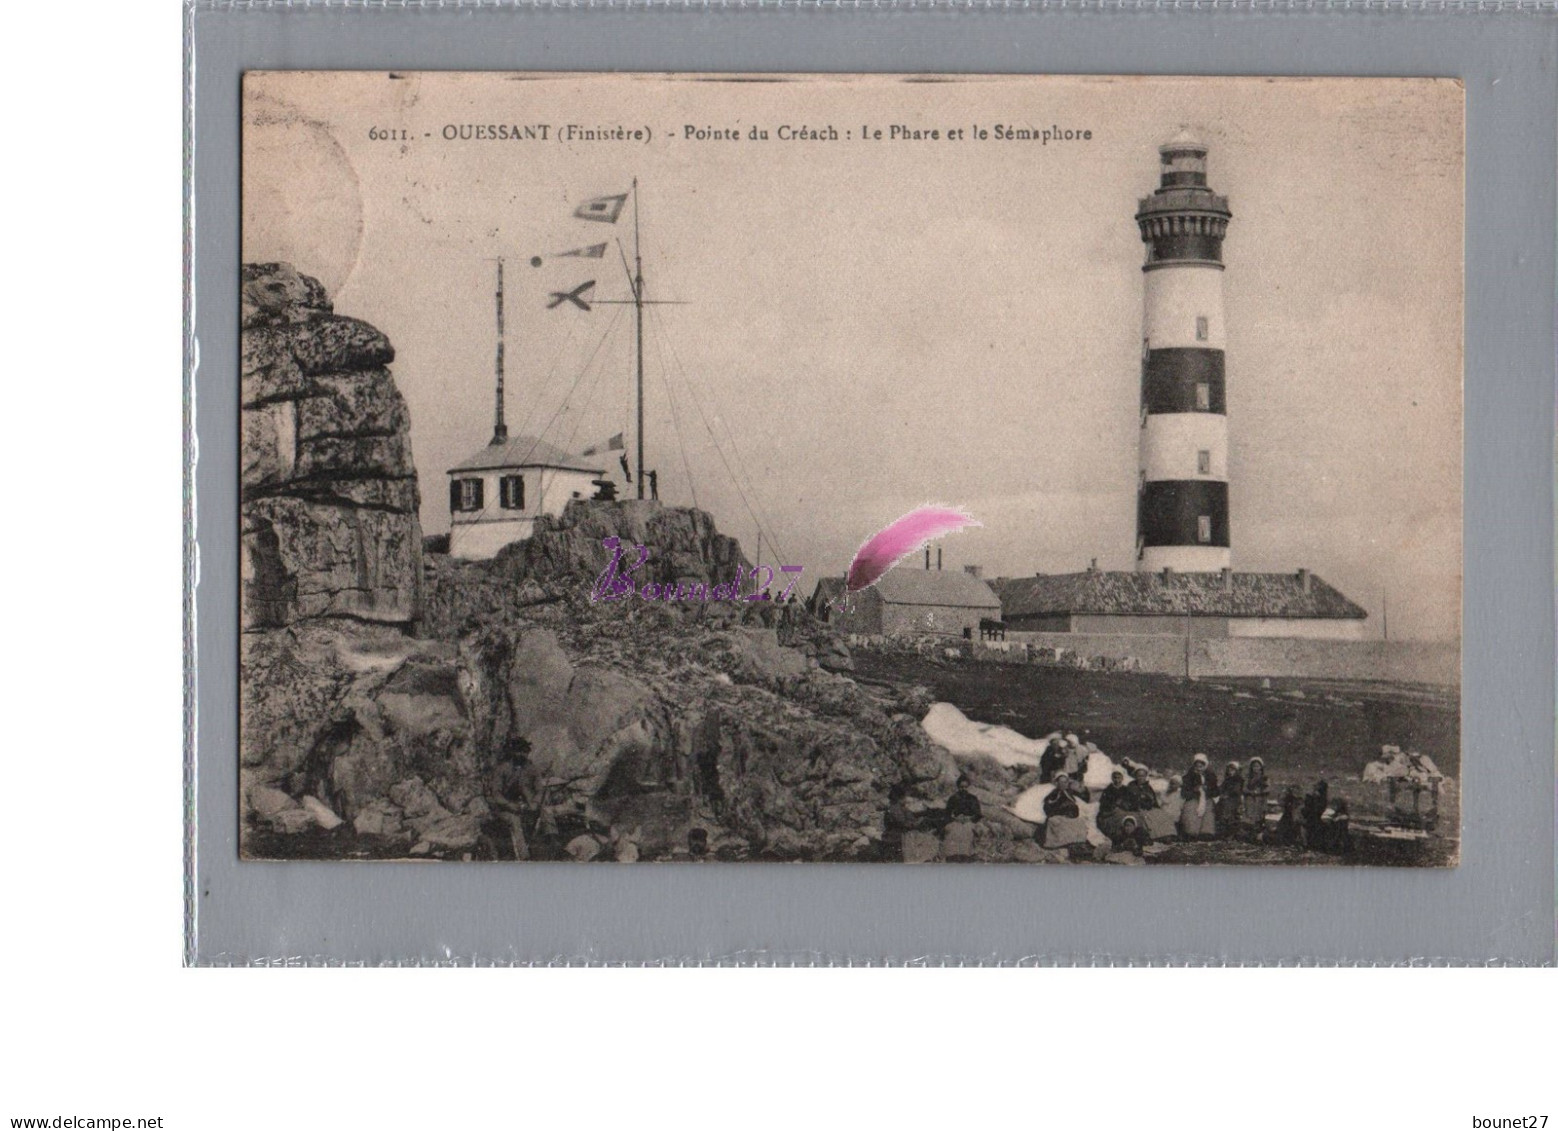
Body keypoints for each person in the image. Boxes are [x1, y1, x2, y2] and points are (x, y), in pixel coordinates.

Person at [1043, 772, 1090, 848]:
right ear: (1057, 783)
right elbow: (1048, 807)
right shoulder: (1054, 793)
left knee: (1081, 822)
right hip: (1060, 816)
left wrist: (1084, 788)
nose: (1065, 784)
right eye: (1062, 782)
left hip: (1070, 816)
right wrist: (1062, 809)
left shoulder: (1068, 791)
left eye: (1066, 782)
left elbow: (1084, 798)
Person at [1178, 753, 1219, 839]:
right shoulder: (1188, 777)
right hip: (1193, 799)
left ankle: (1206, 832)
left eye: (1201, 766)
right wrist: (1194, 790)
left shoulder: (1211, 777)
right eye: (1197, 766)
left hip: (1206, 800)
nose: (1199, 768)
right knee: (1191, 814)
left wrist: (1207, 790)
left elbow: (1216, 792)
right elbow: (1183, 793)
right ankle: (1191, 832)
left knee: (1209, 812)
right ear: (1194, 766)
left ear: (1205, 766)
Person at [941, 775, 982, 862]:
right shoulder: (952, 798)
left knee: (967, 831)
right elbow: (947, 813)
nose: (963, 789)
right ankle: (953, 856)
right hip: (955, 821)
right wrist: (955, 819)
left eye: (965, 787)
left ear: (968, 787)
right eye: (961, 787)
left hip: (969, 821)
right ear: (958, 787)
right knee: (954, 830)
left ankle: (966, 855)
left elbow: (978, 814)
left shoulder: (973, 799)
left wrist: (969, 819)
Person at [880, 782, 916, 862]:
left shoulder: (894, 807)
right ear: (900, 798)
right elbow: (903, 823)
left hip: (892, 838)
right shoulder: (895, 808)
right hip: (895, 839)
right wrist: (912, 822)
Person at [1097, 770, 1133, 841]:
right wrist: (1114, 805)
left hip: (1124, 812)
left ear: (1122, 778)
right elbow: (1103, 806)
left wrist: (1125, 804)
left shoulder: (1126, 790)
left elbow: (1131, 802)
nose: (1117, 780)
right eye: (1115, 778)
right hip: (1111, 814)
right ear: (1112, 778)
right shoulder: (1108, 790)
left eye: (1119, 778)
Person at [1215, 760, 1245, 839]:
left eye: (1233, 770)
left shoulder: (1238, 779)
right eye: (1229, 770)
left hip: (1234, 799)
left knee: (1230, 814)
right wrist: (1220, 792)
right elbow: (1221, 788)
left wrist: (1227, 794)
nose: (1230, 771)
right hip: (1226, 799)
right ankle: (1223, 831)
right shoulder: (1227, 780)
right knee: (1221, 810)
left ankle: (1230, 833)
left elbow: (1236, 790)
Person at [1242, 757, 1270, 839]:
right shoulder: (1248, 777)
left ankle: (1259, 835)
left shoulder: (1264, 777)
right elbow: (1244, 788)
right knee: (1250, 815)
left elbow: (1268, 788)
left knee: (1260, 815)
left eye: (1258, 766)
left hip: (1260, 799)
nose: (1256, 768)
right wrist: (1250, 792)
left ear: (1261, 767)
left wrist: (1260, 792)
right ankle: (1250, 834)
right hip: (1250, 799)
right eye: (1254, 766)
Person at [1301, 780, 1330, 849]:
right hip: (1315, 819)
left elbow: (1307, 811)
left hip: (1311, 820)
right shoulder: (1323, 799)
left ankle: (1306, 843)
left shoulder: (1315, 799)